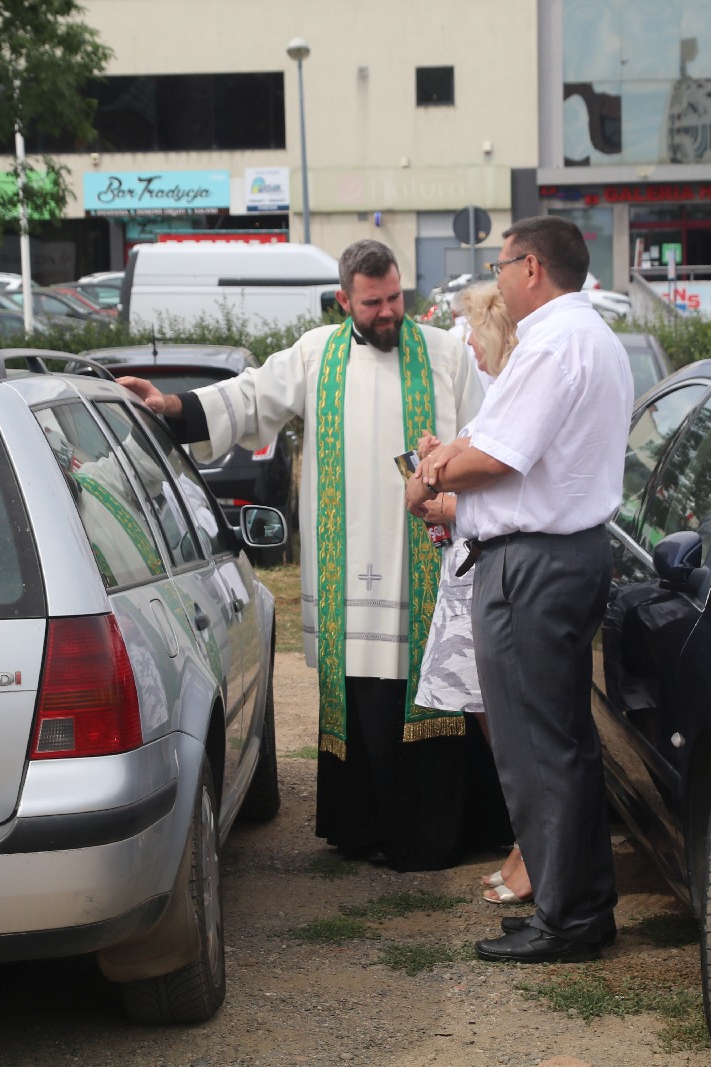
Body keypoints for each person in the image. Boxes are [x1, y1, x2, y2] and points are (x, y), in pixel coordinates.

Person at [117, 240, 488, 873]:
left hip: (428, 555)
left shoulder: (449, 356)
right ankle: (362, 828)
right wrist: (172, 408)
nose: (389, 312)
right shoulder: (317, 355)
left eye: (395, 298)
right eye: (373, 303)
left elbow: (489, 435)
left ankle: (433, 835)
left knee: (436, 689)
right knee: (366, 693)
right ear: (345, 301)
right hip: (350, 570)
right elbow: (247, 399)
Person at [409, 216, 631, 964]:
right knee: (560, 743)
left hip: (533, 561)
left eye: (501, 265)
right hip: (556, 554)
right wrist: (455, 458)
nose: (497, 280)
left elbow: (499, 457)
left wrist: (434, 470)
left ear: (531, 267)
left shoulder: (552, 339)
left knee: (538, 747)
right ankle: (581, 905)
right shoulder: (586, 334)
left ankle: (566, 917)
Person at [409, 284, 526, 906]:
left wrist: (432, 491)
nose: (472, 352)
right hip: (470, 563)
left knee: (506, 715)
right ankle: (524, 836)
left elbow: (503, 496)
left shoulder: (519, 392)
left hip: (490, 565)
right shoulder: (503, 391)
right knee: (489, 713)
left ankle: (531, 844)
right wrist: (439, 457)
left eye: (477, 338)